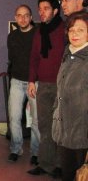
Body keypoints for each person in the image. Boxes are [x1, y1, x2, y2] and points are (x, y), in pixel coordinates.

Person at [27, 0, 65, 177]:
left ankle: (60, 165)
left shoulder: (65, 30)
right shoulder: (39, 31)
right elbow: (34, 57)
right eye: (39, 9)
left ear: (55, 10)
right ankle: (45, 163)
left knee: (60, 126)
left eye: (46, 8)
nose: (41, 12)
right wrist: (31, 81)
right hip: (43, 85)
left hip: (61, 85)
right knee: (44, 126)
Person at [52, 11, 88, 181]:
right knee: (67, 175)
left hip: (83, 133)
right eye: (72, 29)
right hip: (64, 131)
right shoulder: (68, 54)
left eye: (80, 30)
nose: (74, 34)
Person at [7, 5, 40, 165]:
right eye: (19, 15)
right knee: (14, 117)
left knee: (36, 120)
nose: (23, 19)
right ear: (15, 17)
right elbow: (12, 58)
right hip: (16, 81)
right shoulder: (12, 36)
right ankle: (15, 149)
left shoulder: (38, 35)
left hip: (35, 82)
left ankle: (36, 152)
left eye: (26, 15)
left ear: (31, 17)